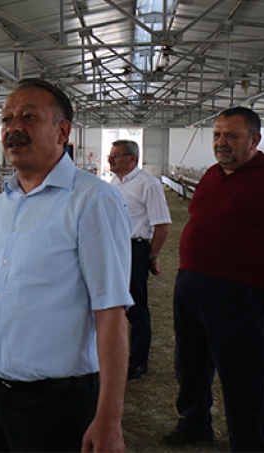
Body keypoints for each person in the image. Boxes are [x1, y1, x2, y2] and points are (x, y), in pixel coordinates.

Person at [0, 78, 133, 453]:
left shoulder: (92, 201)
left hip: (56, 404)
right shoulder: (5, 202)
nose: (13, 127)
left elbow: (111, 312)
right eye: (6, 119)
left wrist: (110, 418)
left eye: (29, 117)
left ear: (62, 131)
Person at [160, 106, 264, 451]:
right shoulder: (210, 174)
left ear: (254, 139)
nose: (222, 142)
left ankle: (249, 440)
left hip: (242, 290)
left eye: (231, 136)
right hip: (191, 283)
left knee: (243, 372)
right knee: (190, 363)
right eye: (217, 135)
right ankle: (194, 423)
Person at [108, 139, 171, 381]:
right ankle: (120, 353)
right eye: (111, 155)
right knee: (116, 303)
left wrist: (152, 256)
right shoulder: (116, 182)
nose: (111, 160)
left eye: (116, 155)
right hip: (116, 248)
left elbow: (162, 224)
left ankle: (138, 361)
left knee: (136, 307)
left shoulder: (148, 184)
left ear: (132, 158)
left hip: (135, 249)